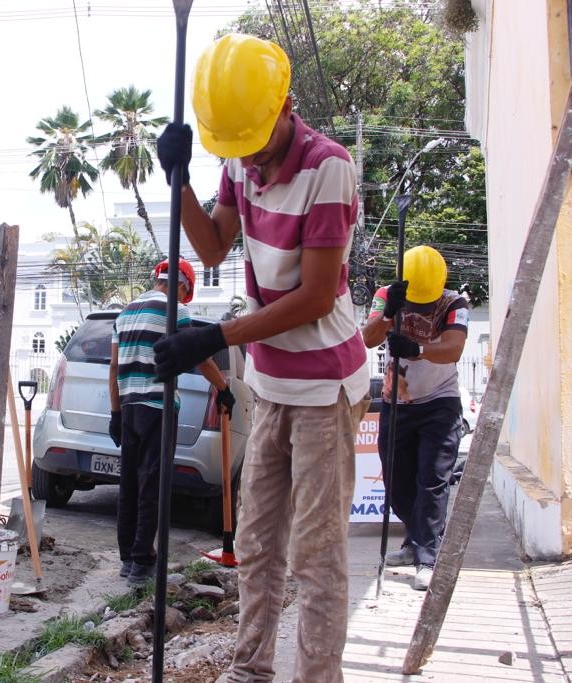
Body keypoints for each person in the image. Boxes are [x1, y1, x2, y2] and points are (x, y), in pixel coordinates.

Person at [153, 34, 370, 682]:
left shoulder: (329, 168)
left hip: (326, 386)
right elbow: (214, 246)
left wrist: (218, 336)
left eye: (256, 140)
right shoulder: (241, 161)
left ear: (287, 107)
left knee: (316, 554)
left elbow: (312, 297)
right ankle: (251, 670)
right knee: (255, 542)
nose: (248, 156)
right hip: (273, 383)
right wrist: (180, 180)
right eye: (236, 146)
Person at [109, 258, 235, 586]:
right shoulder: (174, 310)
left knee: (130, 484)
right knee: (153, 482)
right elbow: (198, 356)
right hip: (158, 407)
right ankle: (141, 562)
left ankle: (127, 558)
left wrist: (116, 413)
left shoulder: (124, 313)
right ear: (183, 285)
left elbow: (113, 368)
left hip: (130, 406)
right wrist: (223, 388)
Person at [362, 245, 469, 592]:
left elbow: (454, 347)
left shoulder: (454, 303)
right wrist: (389, 313)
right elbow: (368, 338)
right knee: (397, 481)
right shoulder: (386, 296)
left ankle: (428, 556)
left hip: (440, 403)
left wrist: (418, 349)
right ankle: (414, 541)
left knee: (433, 480)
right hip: (397, 403)